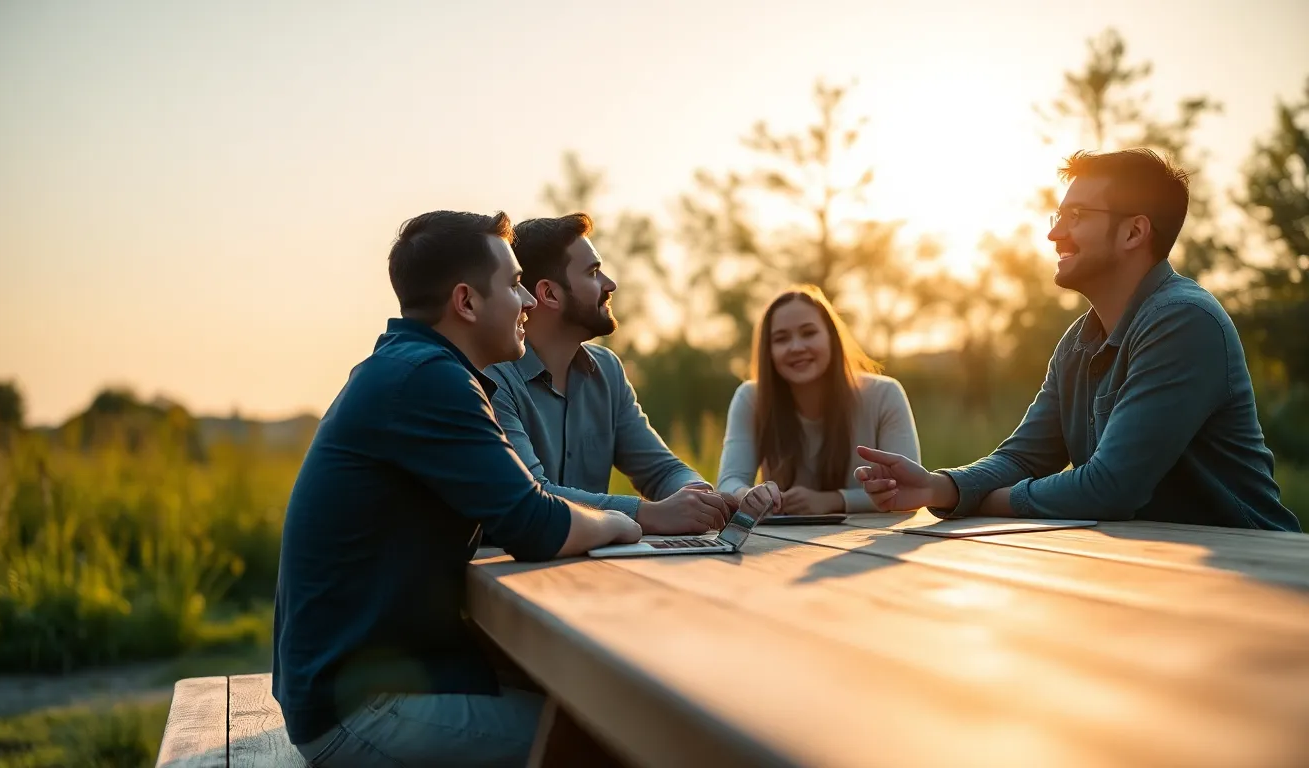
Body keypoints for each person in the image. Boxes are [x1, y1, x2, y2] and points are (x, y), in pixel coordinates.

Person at [273, 210, 661, 767]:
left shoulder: (410, 368)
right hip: (356, 710)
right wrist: (631, 522)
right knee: (609, 741)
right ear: (467, 302)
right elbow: (536, 522)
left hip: (369, 682)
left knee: (598, 707)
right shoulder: (429, 379)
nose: (528, 301)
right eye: (512, 283)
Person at [854, 149, 1301, 532]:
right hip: (1151, 571)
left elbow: (1109, 489)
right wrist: (942, 487)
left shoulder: (1183, 321)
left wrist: (985, 502)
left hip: (1252, 568)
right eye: (1058, 215)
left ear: (1133, 232)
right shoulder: (1078, 342)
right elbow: (1024, 456)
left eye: (1077, 216)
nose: (1054, 233)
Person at [485, 213, 732, 535]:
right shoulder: (493, 379)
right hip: (506, 570)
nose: (609, 284)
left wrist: (700, 497)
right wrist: (647, 514)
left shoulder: (608, 371)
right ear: (550, 294)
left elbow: (660, 470)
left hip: (596, 568)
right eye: (593, 273)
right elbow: (534, 494)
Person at [717, 284, 921, 515]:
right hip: (783, 545)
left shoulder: (885, 395)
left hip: (872, 543)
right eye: (781, 339)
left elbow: (909, 490)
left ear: (832, 338)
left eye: (809, 333)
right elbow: (728, 483)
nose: (796, 347)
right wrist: (749, 496)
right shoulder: (751, 399)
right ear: (769, 351)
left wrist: (834, 501)